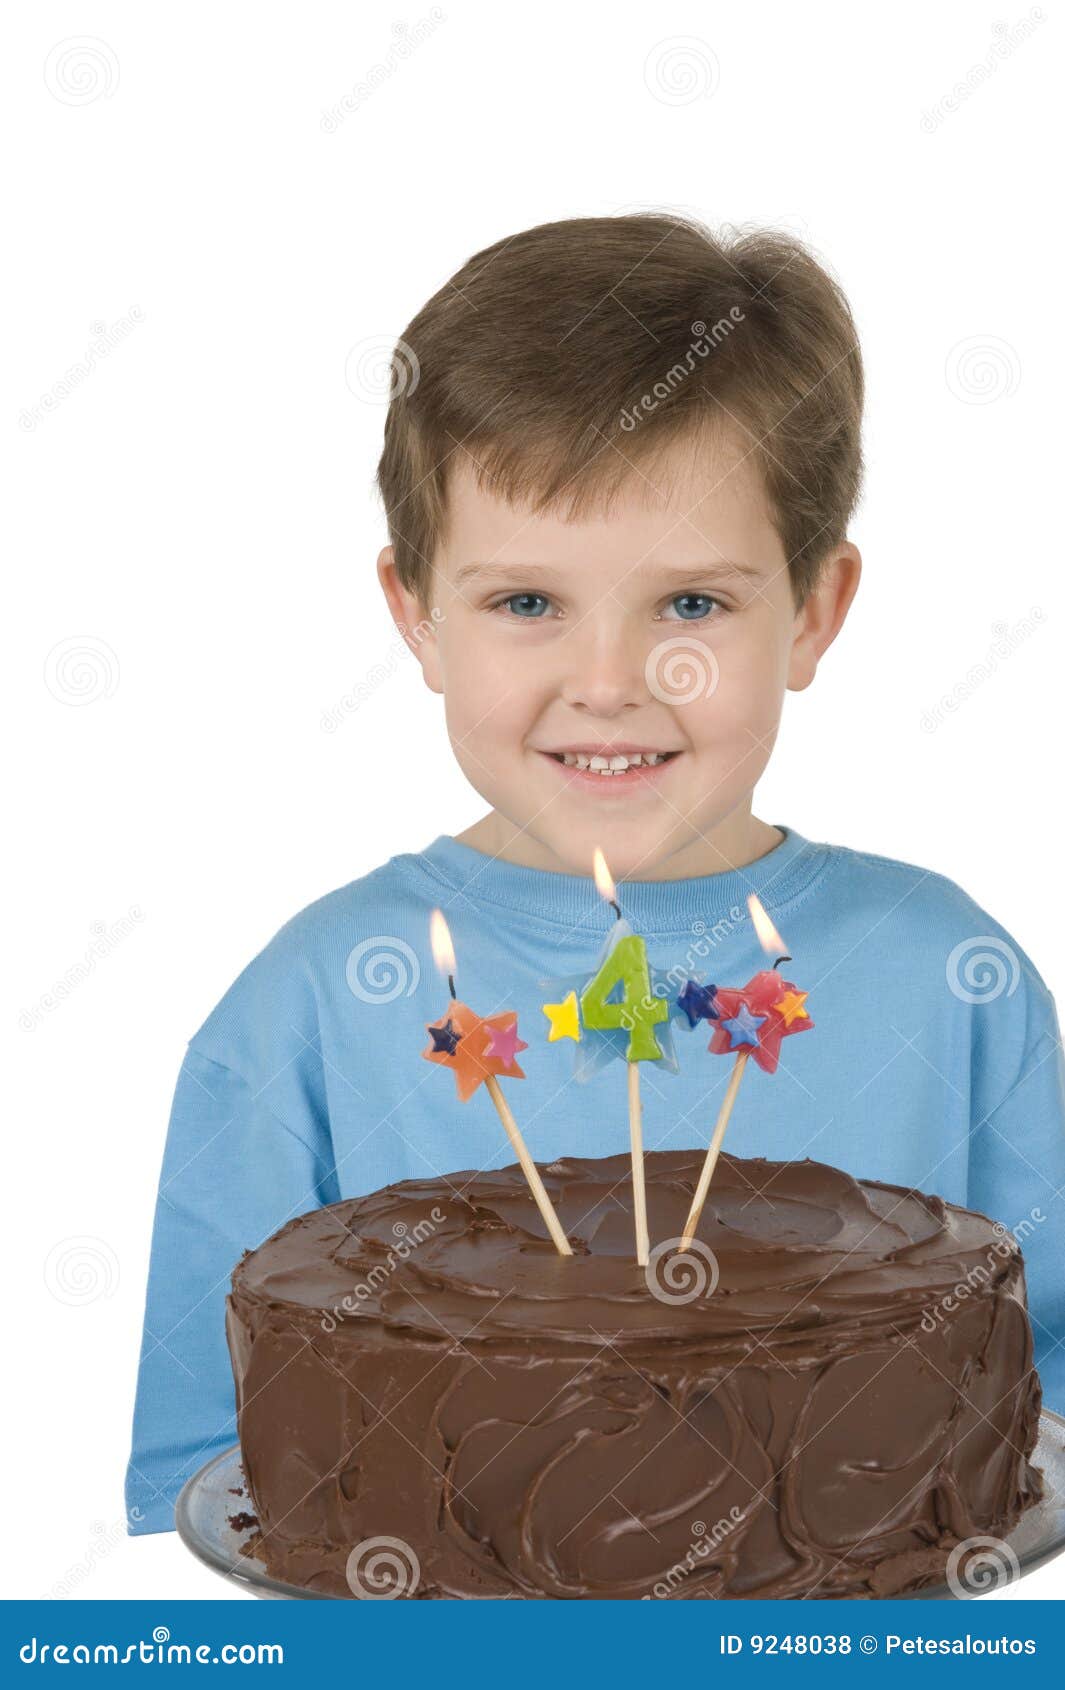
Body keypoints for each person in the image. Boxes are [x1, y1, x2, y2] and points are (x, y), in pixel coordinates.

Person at [126, 213, 1065, 1536]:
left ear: (811, 612)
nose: (612, 683)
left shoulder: (951, 975)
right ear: (416, 616)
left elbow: (1039, 1410)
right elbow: (202, 1472)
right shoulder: (312, 1005)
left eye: (691, 603)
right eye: (525, 602)